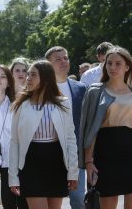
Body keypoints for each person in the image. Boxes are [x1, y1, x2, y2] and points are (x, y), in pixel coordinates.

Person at [9, 60, 78, 209]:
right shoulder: (20, 105)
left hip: (57, 163)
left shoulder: (63, 103)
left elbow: (71, 139)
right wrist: (13, 177)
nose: (28, 78)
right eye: (28, 74)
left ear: (46, 78)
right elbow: (14, 142)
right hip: (31, 164)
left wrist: (73, 172)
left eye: (33, 75)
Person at [79, 47, 132, 209]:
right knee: (108, 202)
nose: (113, 67)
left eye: (118, 64)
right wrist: (88, 161)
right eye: (109, 63)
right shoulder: (95, 91)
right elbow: (88, 130)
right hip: (105, 153)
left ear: (127, 67)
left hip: (130, 152)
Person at [45, 46, 87, 209]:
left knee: (78, 200)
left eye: (66, 58)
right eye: (58, 59)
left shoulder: (81, 88)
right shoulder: (41, 90)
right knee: (52, 200)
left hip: (75, 153)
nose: (63, 61)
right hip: (49, 153)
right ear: (48, 64)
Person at [0, 65, 28, 209]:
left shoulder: (17, 104)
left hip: (10, 158)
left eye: (3, 76)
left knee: (10, 201)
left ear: (9, 81)